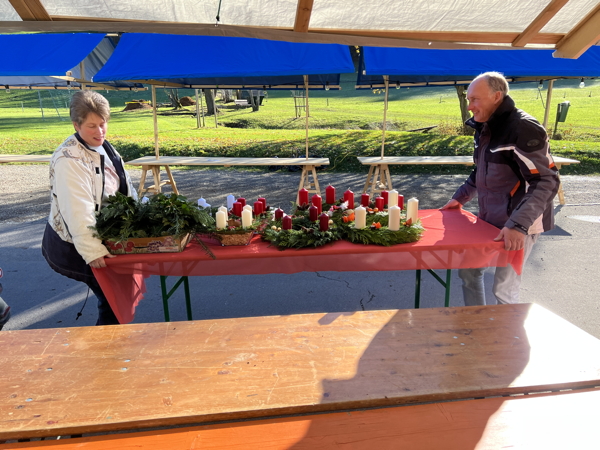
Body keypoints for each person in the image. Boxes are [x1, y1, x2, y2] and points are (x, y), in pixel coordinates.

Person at [441, 72, 559, 306]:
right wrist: (460, 198)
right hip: (489, 218)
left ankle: (507, 340)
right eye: (468, 100)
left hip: (519, 223)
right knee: (468, 272)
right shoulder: (485, 125)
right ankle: (477, 323)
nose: (470, 106)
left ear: (497, 96)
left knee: (504, 289)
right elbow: (482, 170)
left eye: (475, 99)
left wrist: (518, 225)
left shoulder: (523, 127)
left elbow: (546, 181)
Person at [42, 90, 137, 325]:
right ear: (76, 124)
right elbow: (77, 209)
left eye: (103, 124)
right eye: (92, 126)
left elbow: (125, 186)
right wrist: (92, 250)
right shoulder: (69, 160)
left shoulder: (105, 147)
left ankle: (113, 348)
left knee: (118, 298)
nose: (100, 131)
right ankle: (105, 355)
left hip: (105, 235)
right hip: (76, 244)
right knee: (112, 301)